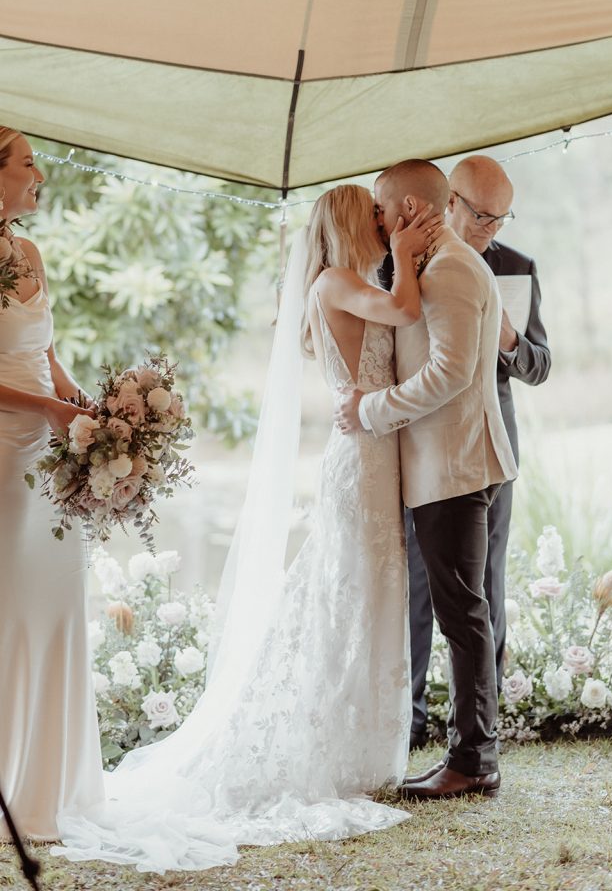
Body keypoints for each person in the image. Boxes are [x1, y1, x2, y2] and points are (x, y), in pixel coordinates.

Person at [54, 185, 438, 873]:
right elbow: (406, 309)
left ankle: (366, 740)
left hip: (372, 451)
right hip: (362, 459)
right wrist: (409, 253)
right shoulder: (335, 282)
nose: (385, 226)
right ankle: (343, 741)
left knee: (362, 593)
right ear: (353, 222)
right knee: (352, 592)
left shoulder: (344, 282)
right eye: (376, 217)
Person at [335, 159, 517, 800]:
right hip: (449, 464)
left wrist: (368, 411)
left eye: (383, 210)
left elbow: (451, 375)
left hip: (455, 467)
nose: (379, 223)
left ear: (410, 209)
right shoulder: (438, 265)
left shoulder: (453, 270)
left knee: (464, 616)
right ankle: (473, 755)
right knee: (465, 612)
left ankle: (473, 762)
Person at [406, 156, 551, 744]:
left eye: (500, 218)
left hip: (490, 443)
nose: (490, 229)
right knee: (414, 579)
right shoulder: (408, 259)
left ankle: (476, 731)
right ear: (449, 201)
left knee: (486, 584)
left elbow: (540, 366)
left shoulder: (517, 268)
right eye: (481, 215)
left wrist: (511, 337)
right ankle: (407, 718)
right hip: (419, 439)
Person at [0, 127, 104, 839]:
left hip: (49, 451)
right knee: (8, 610)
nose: (41, 175)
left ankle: (51, 787)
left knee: (58, 603)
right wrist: (46, 408)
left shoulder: (29, 252)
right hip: (5, 455)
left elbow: (44, 348)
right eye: (30, 163)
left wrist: (81, 405)